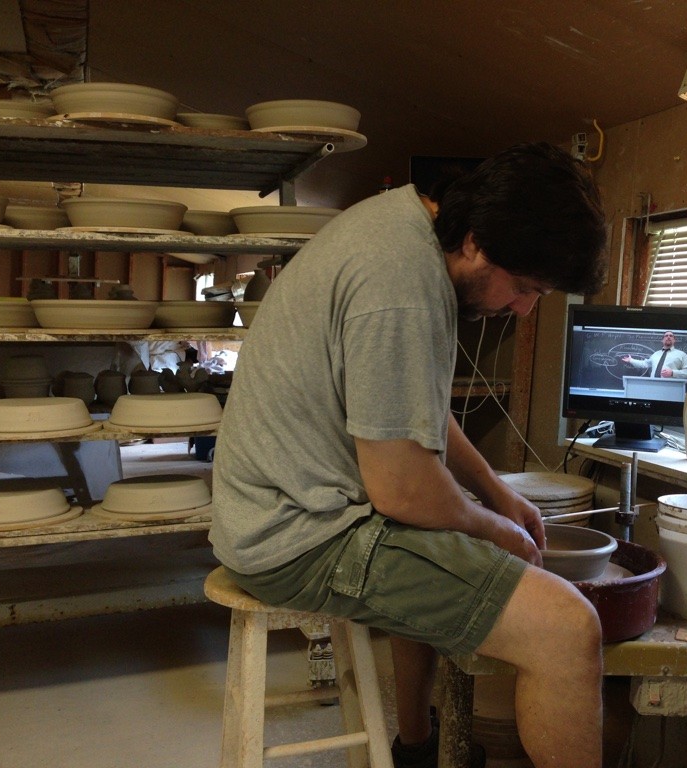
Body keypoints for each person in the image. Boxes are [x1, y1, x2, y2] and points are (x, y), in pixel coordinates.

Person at [209, 142, 608, 768]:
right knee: (568, 630)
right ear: (475, 239)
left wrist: (497, 492)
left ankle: (415, 746)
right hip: (295, 534)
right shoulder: (400, 285)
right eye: (525, 287)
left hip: (282, 508)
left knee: (448, 532)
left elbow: (409, 410)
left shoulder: (404, 231)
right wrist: (494, 527)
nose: (525, 309)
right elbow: (401, 489)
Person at [622, 330, 687, 379]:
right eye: (666, 336)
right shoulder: (655, 354)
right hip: (653, 386)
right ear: (662, 340)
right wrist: (631, 360)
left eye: (671, 336)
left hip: (671, 388)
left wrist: (673, 373)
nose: (668, 337)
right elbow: (644, 364)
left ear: (674, 340)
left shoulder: (682, 355)